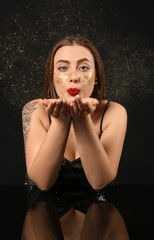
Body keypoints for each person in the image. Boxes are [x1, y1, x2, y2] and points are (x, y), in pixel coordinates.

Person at [22, 35, 127, 195]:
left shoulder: (114, 112)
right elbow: (43, 183)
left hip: (100, 217)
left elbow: (99, 181)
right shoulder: (35, 110)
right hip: (43, 217)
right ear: (51, 76)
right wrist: (60, 123)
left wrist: (81, 120)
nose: (74, 77)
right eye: (63, 68)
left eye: (83, 68)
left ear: (96, 76)